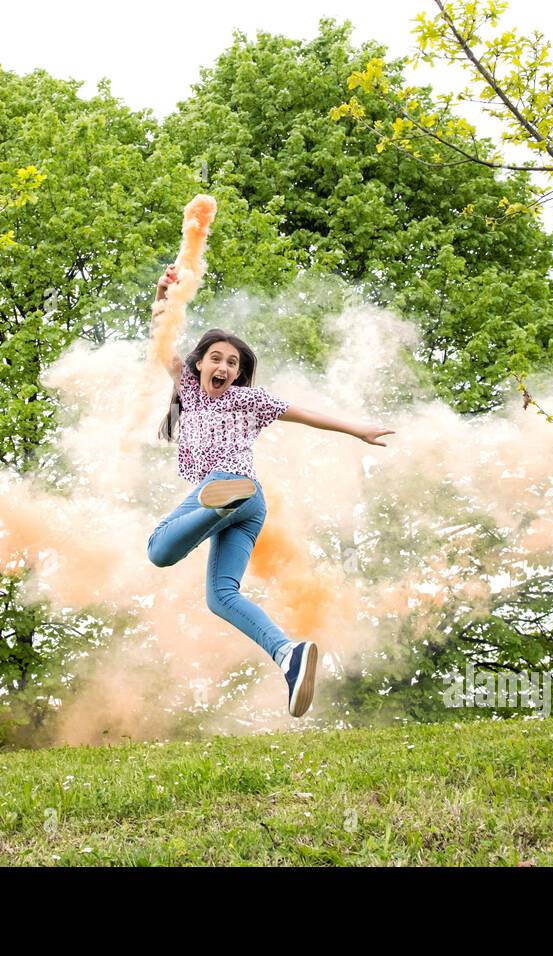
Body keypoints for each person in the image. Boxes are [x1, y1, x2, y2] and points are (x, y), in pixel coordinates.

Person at [146, 262, 395, 717]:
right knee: (222, 596)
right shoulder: (189, 388)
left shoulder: (247, 399)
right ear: (199, 364)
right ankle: (288, 655)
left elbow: (305, 413)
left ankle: (221, 504)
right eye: (216, 359)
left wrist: (358, 429)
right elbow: (162, 339)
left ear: (239, 376)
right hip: (248, 505)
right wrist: (163, 292)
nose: (224, 367)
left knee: (158, 549)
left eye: (233, 364)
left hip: (231, 487)